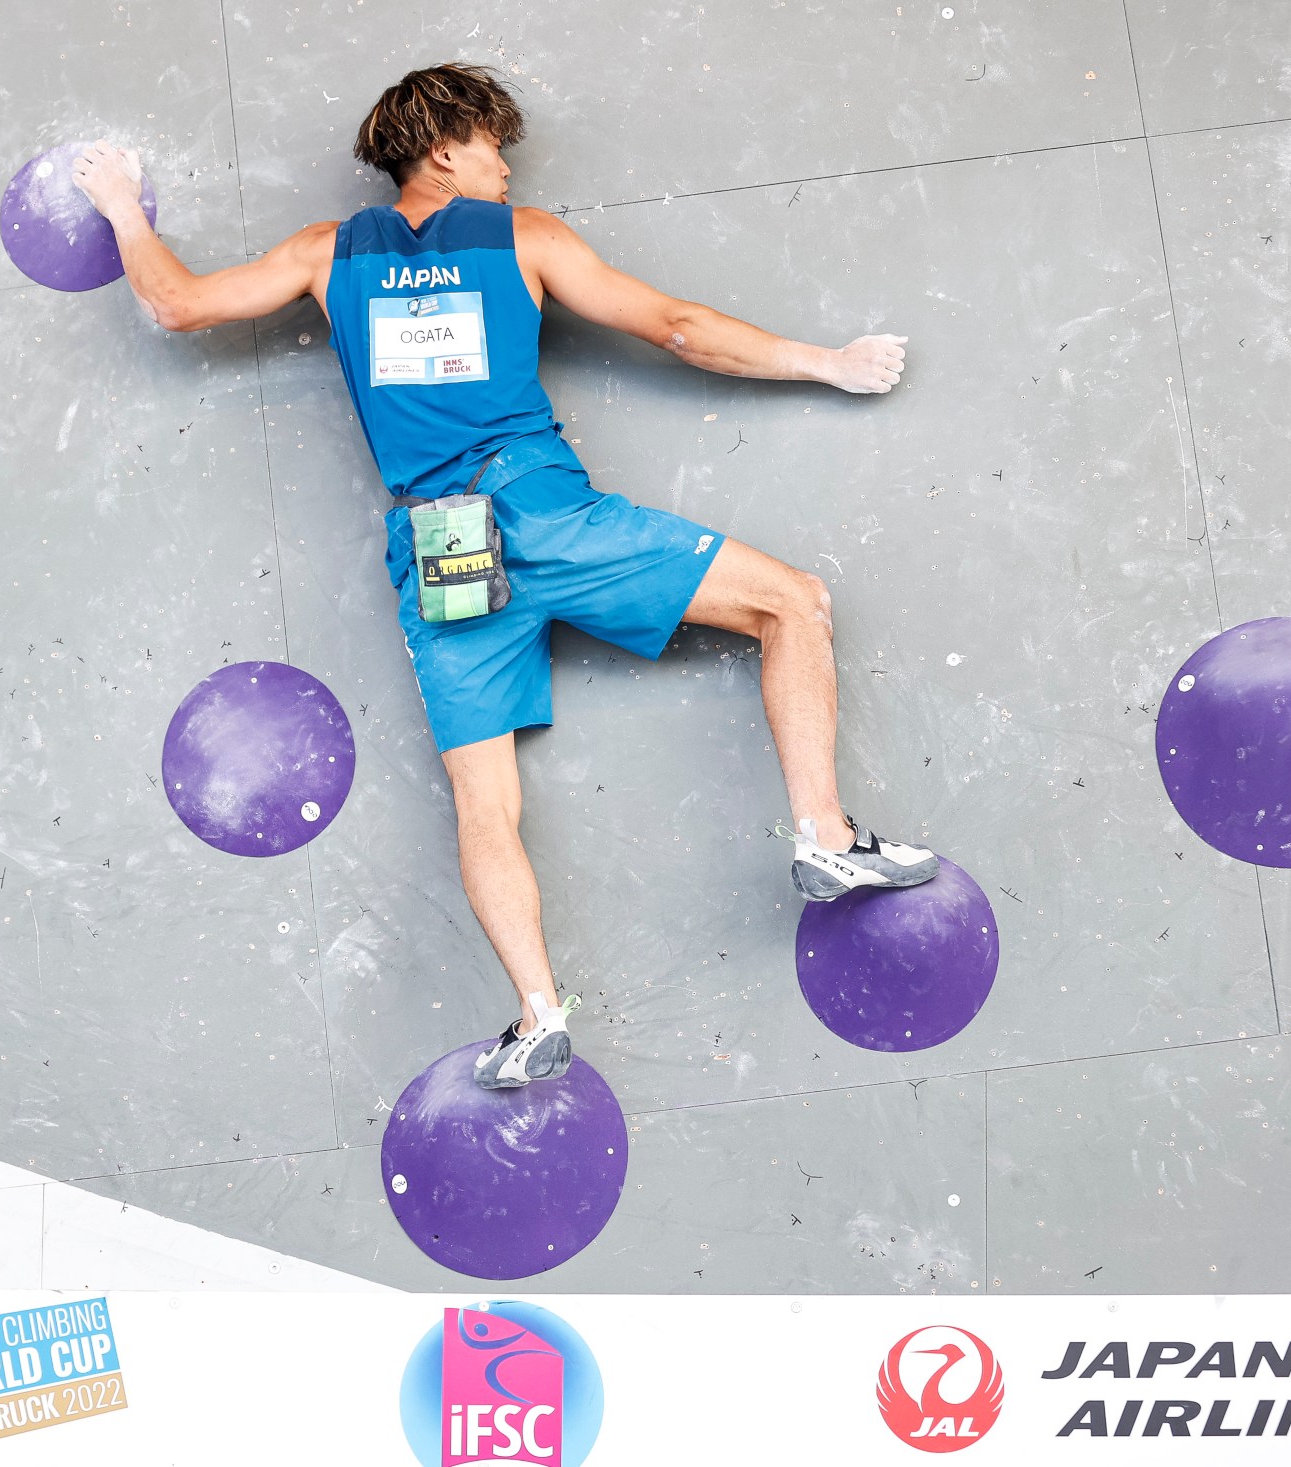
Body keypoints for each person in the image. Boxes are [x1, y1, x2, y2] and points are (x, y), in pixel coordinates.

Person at [72, 62, 938, 1089]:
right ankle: (824, 836)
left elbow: (176, 307)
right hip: (539, 512)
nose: (507, 166)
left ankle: (535, 1014)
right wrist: (825, 362)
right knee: (793, 602)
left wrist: (121, 206)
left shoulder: (324, 256)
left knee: (481, 800)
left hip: (440, 548)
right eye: (493, 147)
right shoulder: (524, 240)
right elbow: (674, 327)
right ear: (445, 149)